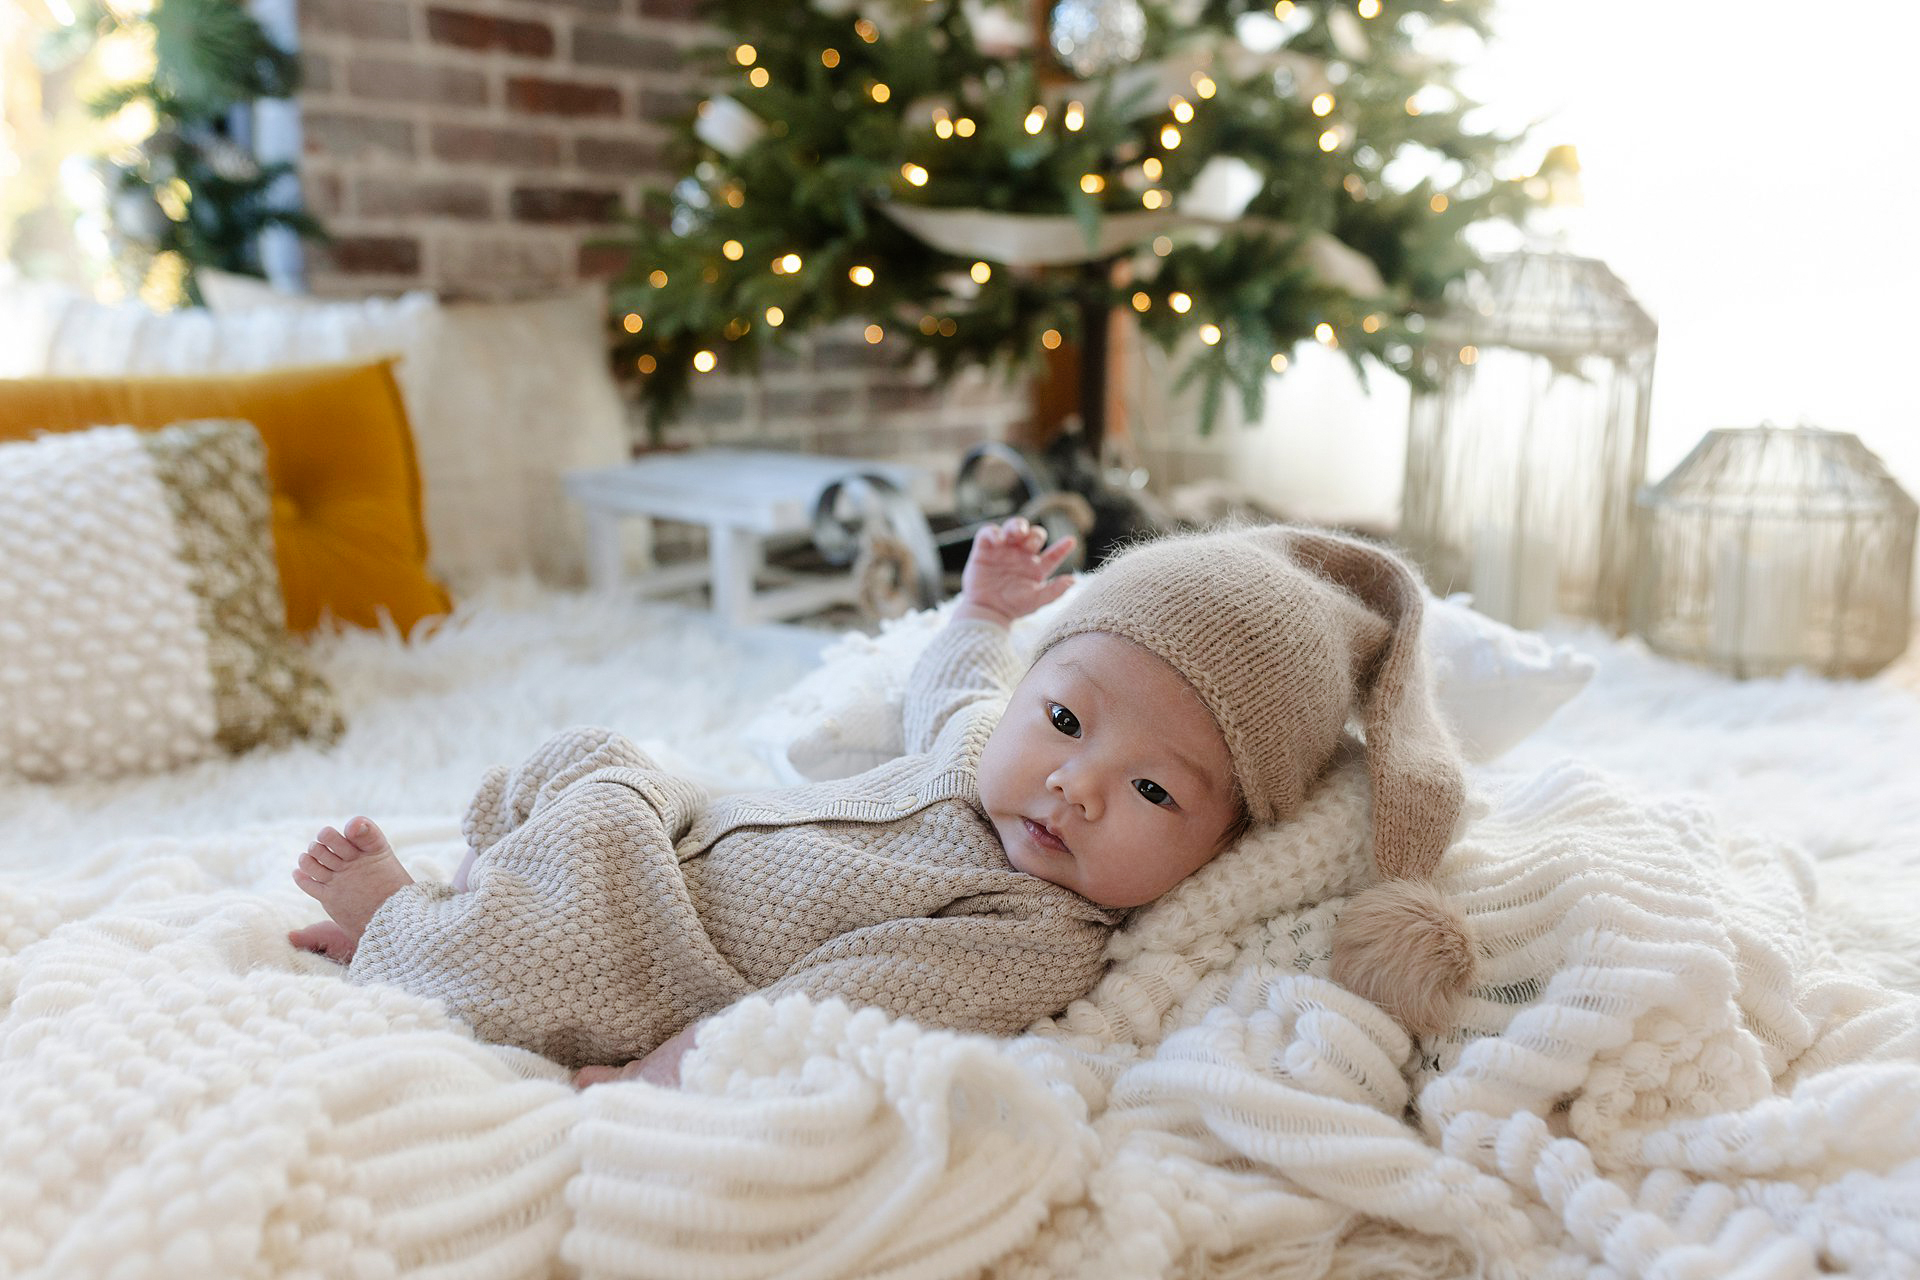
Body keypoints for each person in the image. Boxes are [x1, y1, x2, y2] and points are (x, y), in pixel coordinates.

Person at [289, 518, 1477, 1088]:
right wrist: (986, 610)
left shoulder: (1031, 935)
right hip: (684, 822)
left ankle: (403, 926)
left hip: (671, 945)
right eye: (1065, 719)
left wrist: (658, 1072)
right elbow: (958, 681)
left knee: (562, 934)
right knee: (592, 758)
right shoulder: (981, 749)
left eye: (1155, 789)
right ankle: (478, 890)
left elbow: (826, 1006)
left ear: (1223, 845)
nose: (1075, 783)